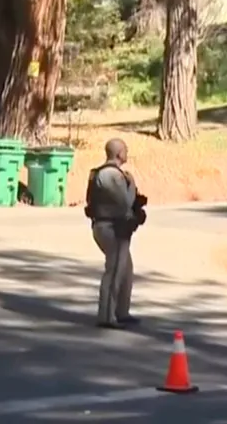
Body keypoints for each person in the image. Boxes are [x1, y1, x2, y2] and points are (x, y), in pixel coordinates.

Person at [84, 138, 145, 329]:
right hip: (111, 228)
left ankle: (121, 311)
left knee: (126, 269)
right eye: (125, 150)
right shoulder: (112, 175)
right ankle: (106, 316)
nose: (127, 152)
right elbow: (125, 202)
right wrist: (132, 185)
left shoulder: (107, 174)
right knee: (115, 270)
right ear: (119, 153)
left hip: (113, 227)